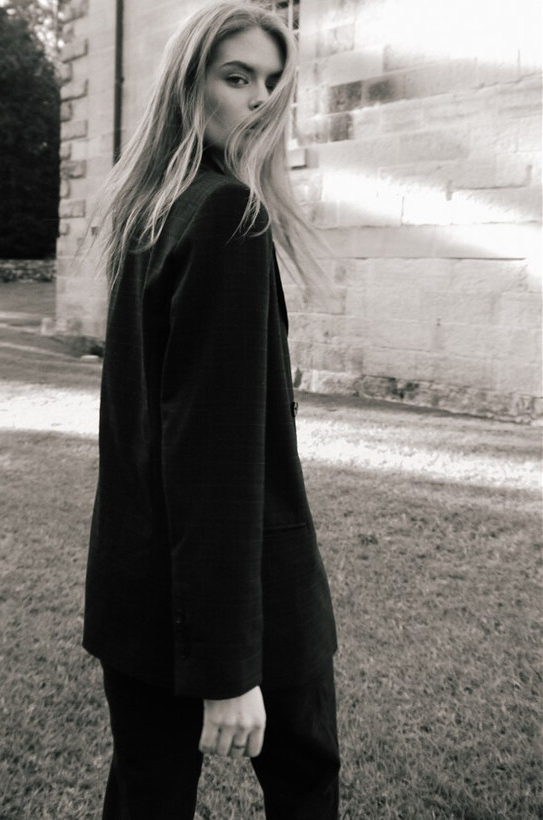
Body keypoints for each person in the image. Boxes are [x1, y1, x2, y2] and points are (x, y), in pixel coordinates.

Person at [83, 3, 340, 818]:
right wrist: (228, 666)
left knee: (145, 796)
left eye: (272, 81)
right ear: (188, 87)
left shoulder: (149, 212)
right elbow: (213, 454)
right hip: (241, 602)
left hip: (138, 591)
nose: (261, 99)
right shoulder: (227, 215)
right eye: (237, 77)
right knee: (303, 787)